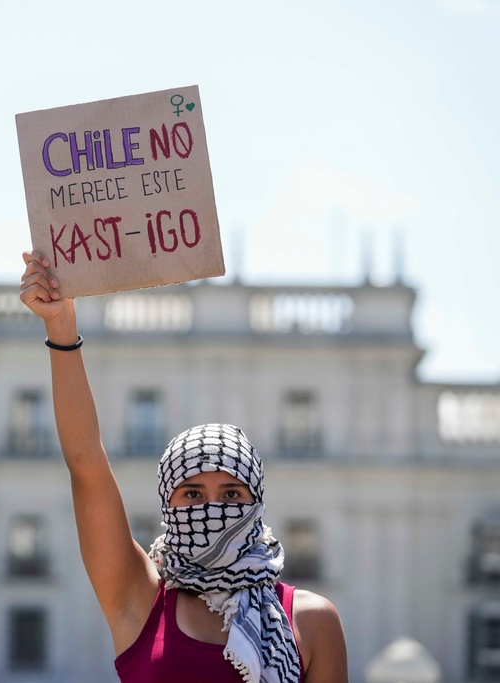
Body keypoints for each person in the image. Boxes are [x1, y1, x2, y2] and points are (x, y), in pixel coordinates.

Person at [19, 250, 348, 683]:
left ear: (256, 503)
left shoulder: (311, 621)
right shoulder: (138, 599)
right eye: (192, 494)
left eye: (231, 494)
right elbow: (86, 463)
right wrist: (61, 328)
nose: (212, 508)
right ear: (168, 505)